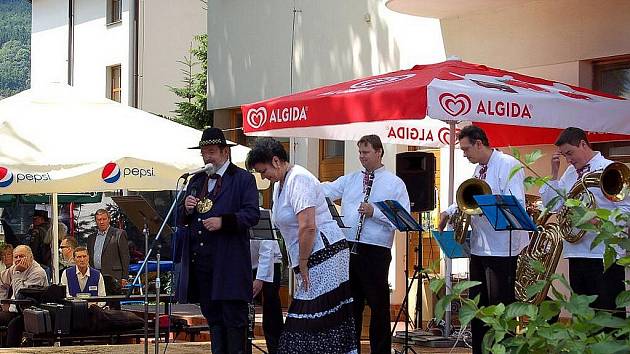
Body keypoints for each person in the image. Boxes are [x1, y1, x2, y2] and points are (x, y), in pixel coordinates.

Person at [247, 138, 356, 354]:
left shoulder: (299, 179)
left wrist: (303, 262)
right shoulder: (281, 184)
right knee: (310, 319)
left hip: (324, 254)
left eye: (263, 170)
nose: (263, 176)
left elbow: (308, 226)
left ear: (276, 161)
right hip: (311, 256)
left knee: (310, 318)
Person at [438, 125, 528, 354]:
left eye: (467, 148)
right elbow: (467, 198)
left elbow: (516, 203)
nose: (465, 154)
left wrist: (485, 205)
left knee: (499, 310)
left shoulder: (509, 165)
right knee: (477, 308)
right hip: (479, 246)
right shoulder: (478, 171)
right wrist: (449, 211)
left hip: (502, 248)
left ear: (479, 143)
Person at [321, 134, 410, 354]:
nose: (362, 157)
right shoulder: (351, 179)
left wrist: (375, 212)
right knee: (352, 305)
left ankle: (380, 351)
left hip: (376, 250)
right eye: (360, 153)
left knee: (378, 306)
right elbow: (327, 190)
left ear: (379, 152)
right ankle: (352, 350)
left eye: (366, 153)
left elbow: (403, 219)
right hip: (349, 247)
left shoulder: (394, 183)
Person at [177, 127, 260, 354]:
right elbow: (179, 219)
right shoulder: (196, 180)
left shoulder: (242, 179)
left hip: (230, 263)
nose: (207, 157)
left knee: (234, 320)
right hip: (203, 264)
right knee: (213, 319)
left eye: (212, 151)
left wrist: (224, 222)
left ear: (225, 152)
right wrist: (185, 208)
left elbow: (252, 214)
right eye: (204, 152)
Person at [540, 127, 630, 316]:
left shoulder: (610, 168)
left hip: (604, 253)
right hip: (577, 252)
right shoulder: (570, 174)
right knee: (583, 316)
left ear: (583, 144)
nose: (569, 160)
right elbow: (552, 205)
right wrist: (554, 173)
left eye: (570, 153)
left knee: (608, 314)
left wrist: (602, 220)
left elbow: (626, 210)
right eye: (565, 156)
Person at [0, 245, 48, 347]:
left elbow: (20, 295)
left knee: (14, 325)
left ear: (31, 257)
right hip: (14, 310)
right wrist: (3, 300)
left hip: (31, 312)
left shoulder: (38, 272)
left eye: (21, 256)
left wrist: (17, 273)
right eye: (16, 257)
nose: (18, 260)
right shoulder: (14, 268)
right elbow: (1, 281)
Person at [250, 238, 284, 354]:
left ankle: (276, 348)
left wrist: (260, 279)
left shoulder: (262, 220)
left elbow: (267, 250)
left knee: (271, 303)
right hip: (247, 262)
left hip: (271, 261)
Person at [87, 209, 130, 286]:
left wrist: (125, 277)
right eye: (99, 219)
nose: (102, 222)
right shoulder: (91, 238)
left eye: (104, 219)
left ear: (109, 219)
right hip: (95, 275)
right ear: (96, 221)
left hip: (114, 276)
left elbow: (125, 257)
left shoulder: (118, 234)